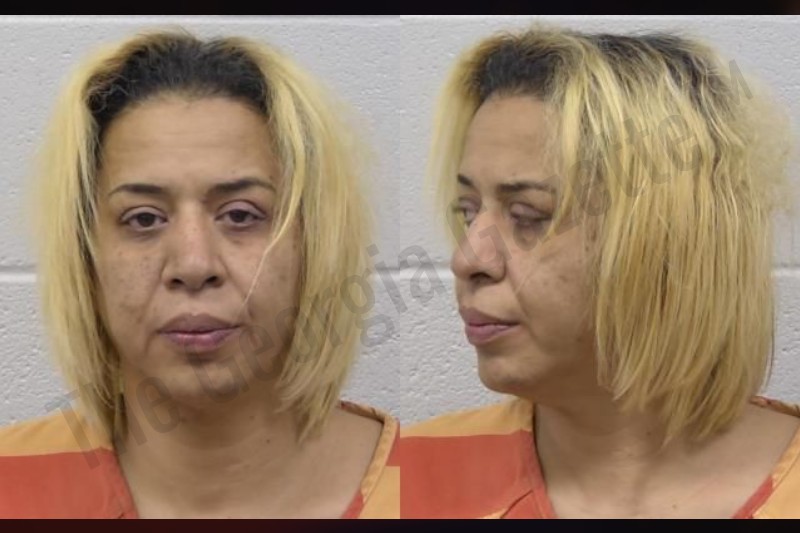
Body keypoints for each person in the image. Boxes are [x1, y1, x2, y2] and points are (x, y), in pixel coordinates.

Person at [401, 24, 800, 518]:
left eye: (527, 216)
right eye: (468, 212)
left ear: (671, 241)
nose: (467, 260)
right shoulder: (410, 478)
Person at [0, 29, 399, 519]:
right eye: (143, 219)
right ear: (86, 255)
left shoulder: (437, 485)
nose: (193, 265)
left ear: (315, 244)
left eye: (240, 215)